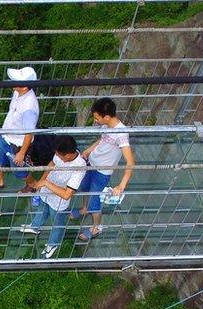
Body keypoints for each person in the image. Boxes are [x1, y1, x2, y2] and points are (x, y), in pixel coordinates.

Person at [73, 97, 135, 242]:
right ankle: (84, 208)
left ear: (106, 117)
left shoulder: (121, 134)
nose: (95, 120)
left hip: (102, 172)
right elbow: (102, 140)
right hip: (91, 163)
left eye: (96, 117)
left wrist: (121, 185)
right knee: (85, 187)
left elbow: (130, 162)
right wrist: (88, 151)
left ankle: (96, 227)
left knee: (95, 201)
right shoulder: (106, 126)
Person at [17, 135, 86, 259]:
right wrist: (42, 182)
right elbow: (51, 163)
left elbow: (67, 194)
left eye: (61, 156)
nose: (58, 157)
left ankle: (53, 244)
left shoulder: (79, 167)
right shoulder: (60, 154)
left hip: (59, 201)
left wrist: (45, 183)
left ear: (69, 155)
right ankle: (35, 227)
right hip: (46, 192)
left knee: (57, 224)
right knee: (42, 210)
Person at [0, 67, 40, 192]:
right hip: (6, 137)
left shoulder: (29, 107)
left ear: (25, 87)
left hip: (17, 145)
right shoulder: (17, 92)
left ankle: (33, 185)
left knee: (19, 171)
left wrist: (21, 153)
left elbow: (29, 133)